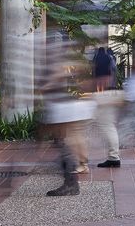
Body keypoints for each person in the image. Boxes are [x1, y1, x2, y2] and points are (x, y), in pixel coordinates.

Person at [40, 34, 95, 196]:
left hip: (61, 107)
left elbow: (57, 77)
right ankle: (72, 178)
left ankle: (71, 182)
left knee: (65, 143)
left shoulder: (54, 61)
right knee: (65, 142)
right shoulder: (57, 59)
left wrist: (43, 87)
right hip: (60, 106)